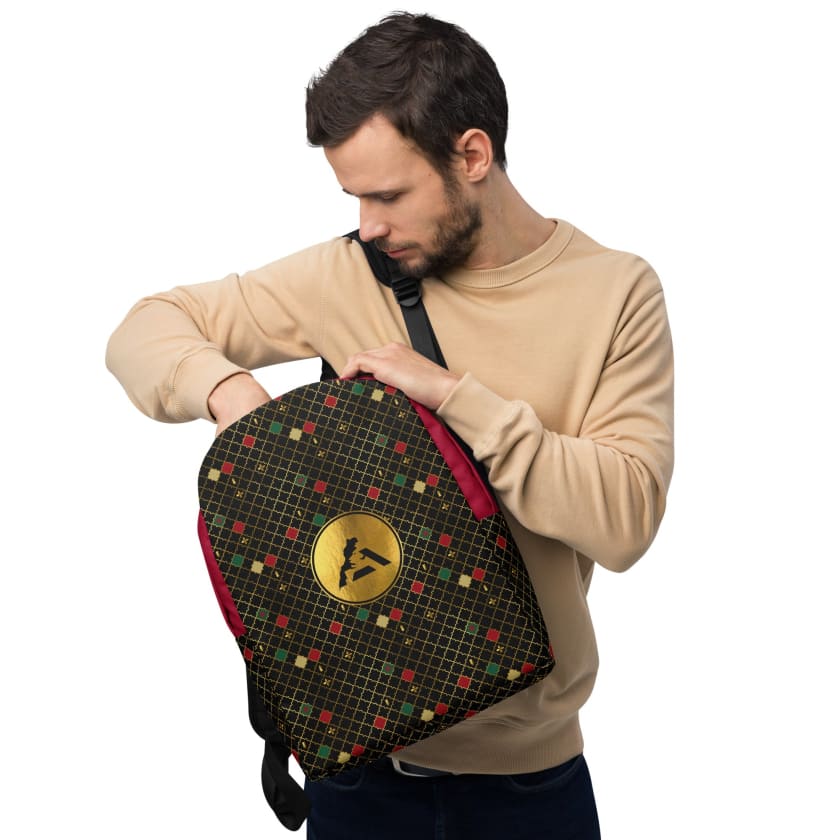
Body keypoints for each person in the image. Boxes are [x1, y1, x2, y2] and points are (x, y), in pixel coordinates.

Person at [106, 12, 673, 840]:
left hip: (531, 785)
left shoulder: (615, 292)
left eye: (389, 195)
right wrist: (233, 396)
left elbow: (624, 521)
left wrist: (453, 397)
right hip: (358, 777)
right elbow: (144, 329)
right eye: (355, 198)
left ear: (472, 155)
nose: (369, 224)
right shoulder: (351, 271)